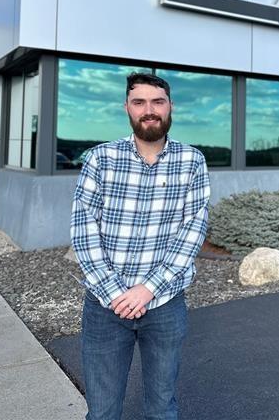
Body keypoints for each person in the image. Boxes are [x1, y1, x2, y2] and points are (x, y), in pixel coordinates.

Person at [71, 72, 210, 420]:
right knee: (102, 412)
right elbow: (83, 229)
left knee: (162, 407)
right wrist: (116, 293)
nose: (149, 110)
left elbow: (192, 231)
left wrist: (146, 290)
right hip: (106, 308)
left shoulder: (192, 161)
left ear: (170, 107)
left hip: (164, 305)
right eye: (140, 102)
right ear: (127, 108)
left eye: (157, 102)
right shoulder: (101, 159)